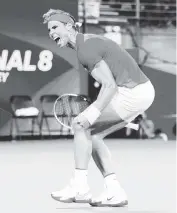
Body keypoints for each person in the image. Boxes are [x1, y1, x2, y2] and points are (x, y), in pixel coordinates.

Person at [42, 9, 155, 207]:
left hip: (132, 92)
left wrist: (90, 114)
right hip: (137, 91)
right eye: (49, 29)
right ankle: (114, 191)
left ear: (69, 26)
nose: (51, 33)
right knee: (92, 137)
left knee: (80, 125)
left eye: (55, 27)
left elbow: (109, 85)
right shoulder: (85, 44)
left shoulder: (86, 47)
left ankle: (80, 186)